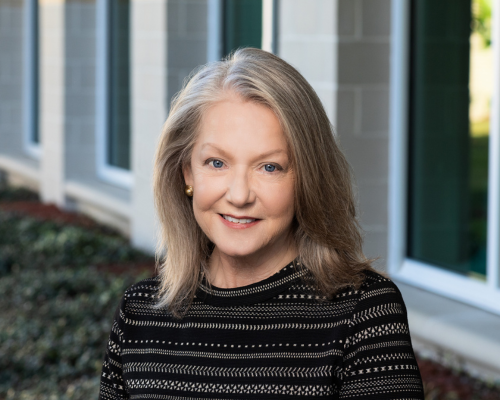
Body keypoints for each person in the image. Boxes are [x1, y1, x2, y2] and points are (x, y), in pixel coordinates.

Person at [99, 48, 424, 399]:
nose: (239, 195)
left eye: (270, 167)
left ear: (307, 179)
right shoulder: (139, 314)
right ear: (187, 173)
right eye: (216, 163)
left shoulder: (364, 313)